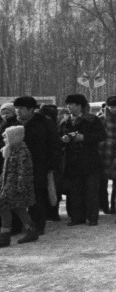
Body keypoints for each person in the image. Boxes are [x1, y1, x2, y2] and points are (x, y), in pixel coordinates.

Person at [13, 96, 59, 237]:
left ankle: (38, 226)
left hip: (38, 166)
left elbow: (55, 145)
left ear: (31, 110)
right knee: (16, 197)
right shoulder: (11, 124)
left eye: (21, 108)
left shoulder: (44, 123)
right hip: (16, 167)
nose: (18, 111)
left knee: (37, 197)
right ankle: (17, 226)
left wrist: (52, 165)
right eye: (17, 108)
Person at [59, 94, 107, 226]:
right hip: (73, 161)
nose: (68, 107)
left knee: (91, 190)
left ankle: (92, 218)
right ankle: (77, 218)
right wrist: (63, 140)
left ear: (79, 106)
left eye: (71, 104)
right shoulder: (65, 121)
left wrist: (84, 137)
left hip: (90, 160)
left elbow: (102, 135)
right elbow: (59, 137)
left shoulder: (92, 119)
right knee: (75, 192)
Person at [0, 125, 37, 246]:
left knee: (6, 206)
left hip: (15, 187)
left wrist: (20, 187)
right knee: (17, 208)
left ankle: (5, 236)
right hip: (10, 185)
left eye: (7, 137)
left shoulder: (22, 152)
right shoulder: (11, 149)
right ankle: (31, 231)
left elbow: (23, 171)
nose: (5, 139)